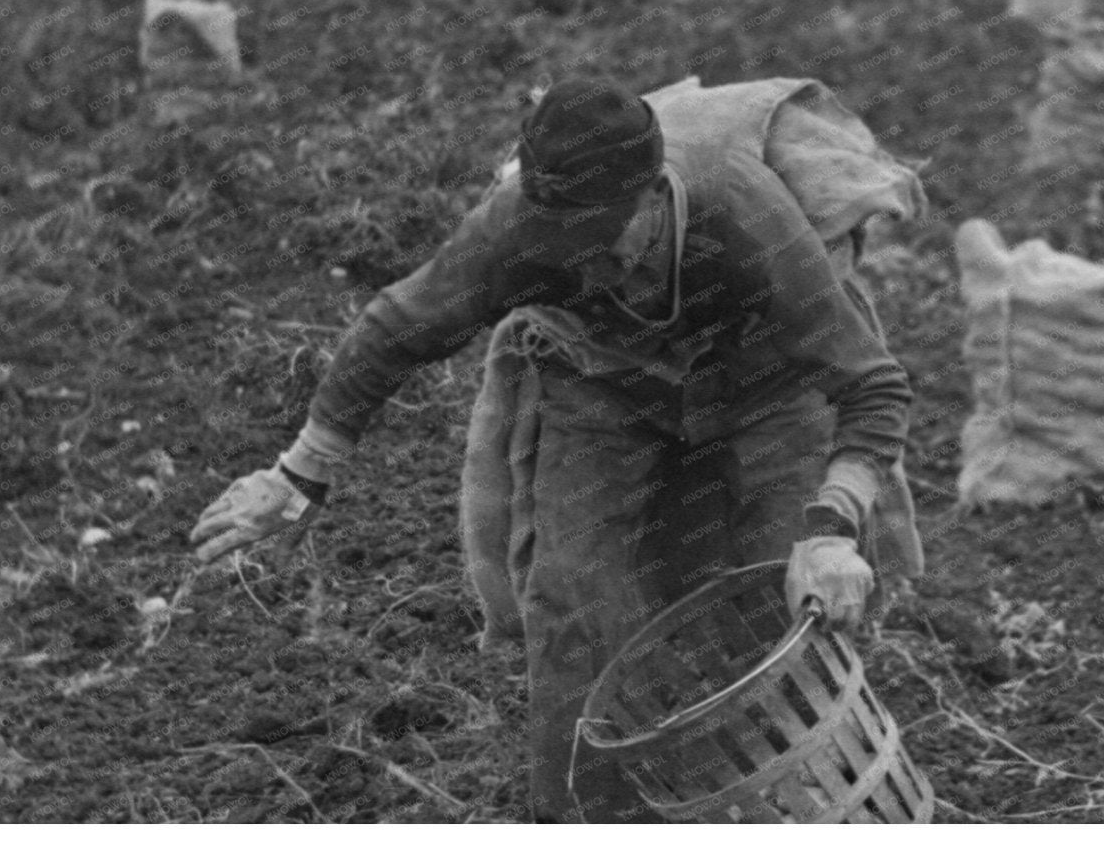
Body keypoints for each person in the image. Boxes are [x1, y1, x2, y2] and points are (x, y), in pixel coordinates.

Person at [191, 76, 922, 822]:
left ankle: (795, 807)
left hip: (764, 381)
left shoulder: (739, 212)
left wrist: (832, 529)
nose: (586, 269)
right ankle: (588, 818)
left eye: (604, 245)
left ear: (651, 194)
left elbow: (872, 387)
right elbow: (397, 327)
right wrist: (300, 472)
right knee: (574, 599)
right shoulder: (516, 228)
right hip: (599, 381)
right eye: (564, 250)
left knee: (777, 590)